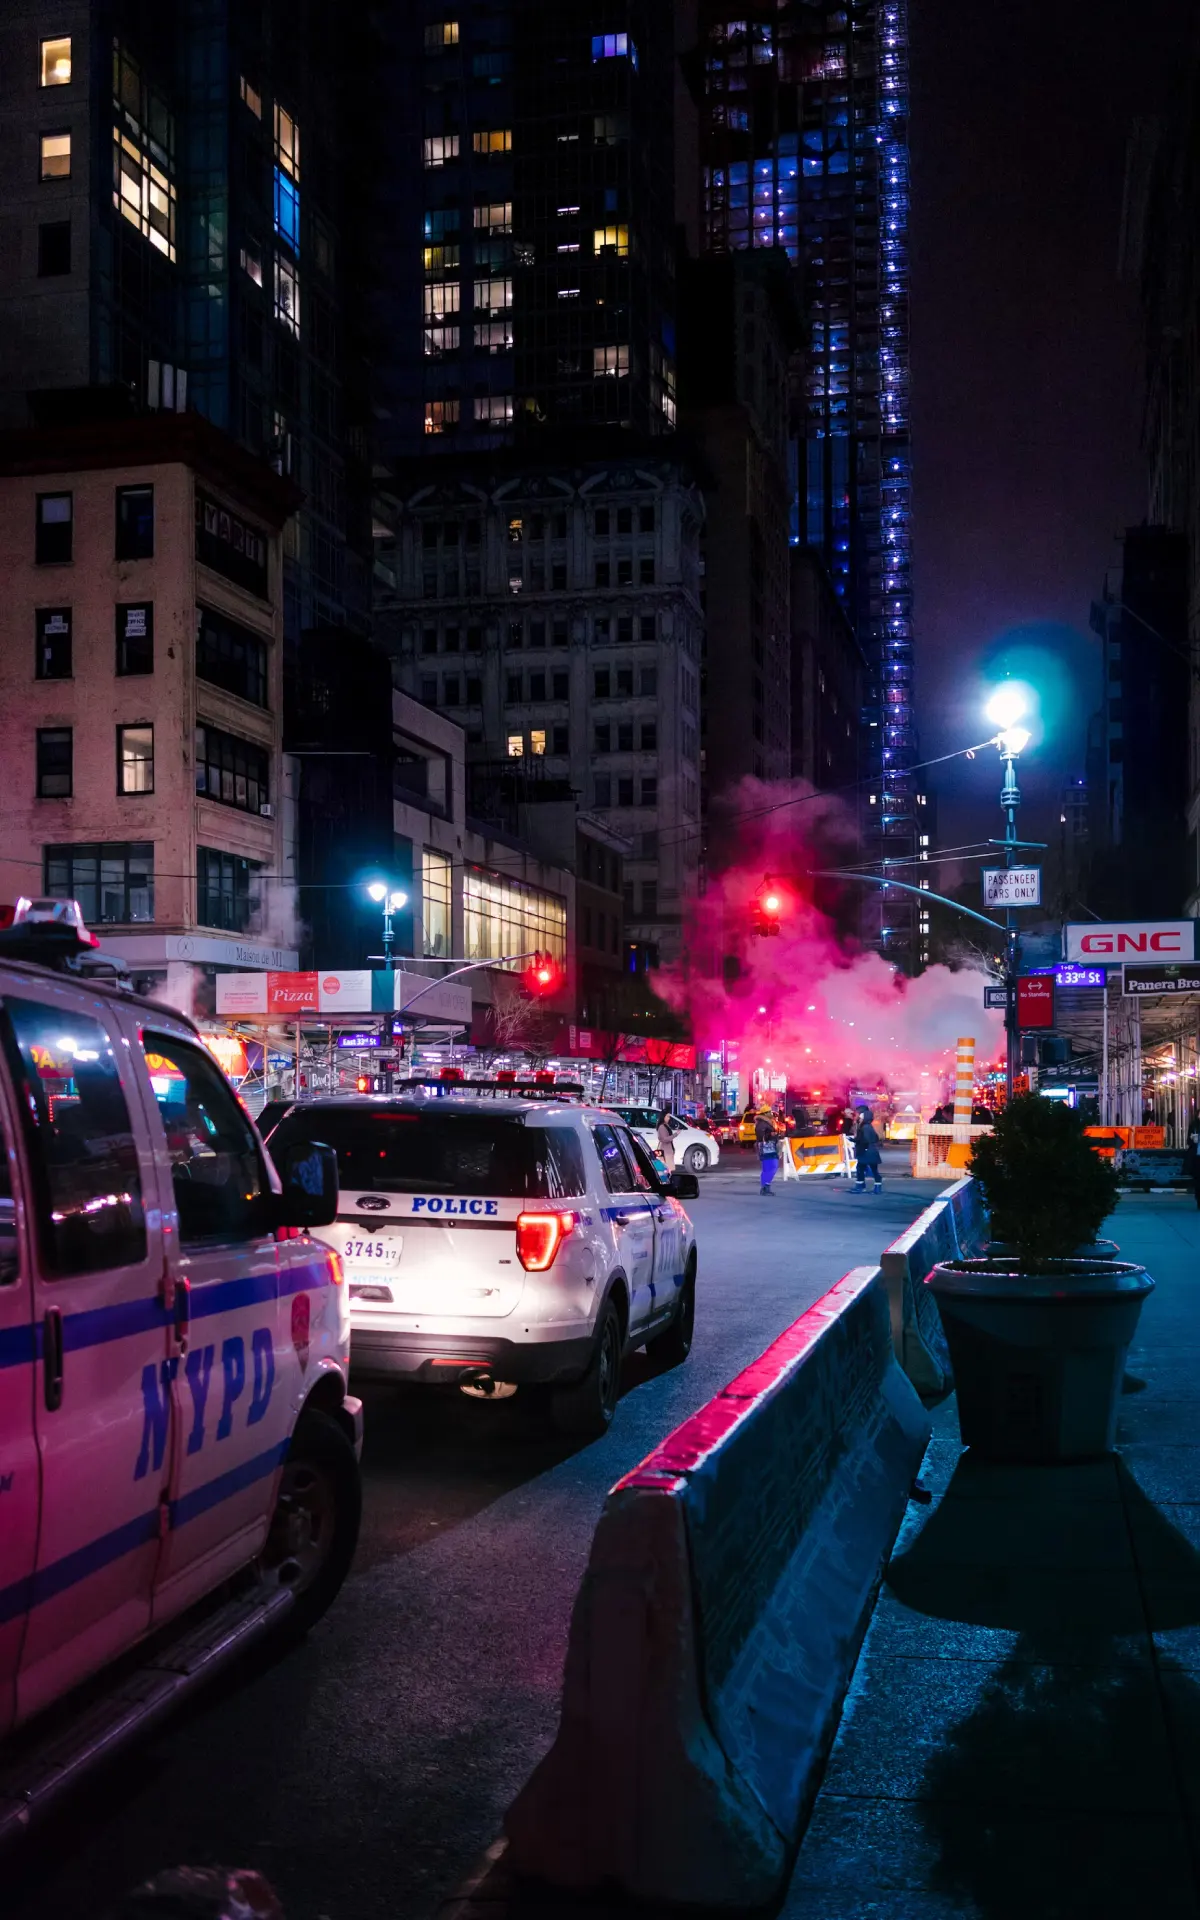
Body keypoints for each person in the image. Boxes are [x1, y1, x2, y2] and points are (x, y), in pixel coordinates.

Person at [852, 1103, 883, 1193]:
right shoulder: (868, 1127)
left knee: (861, 1169)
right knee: (872, 1170)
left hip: (866, 1152)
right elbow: (875, 1138)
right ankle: (877, 1188)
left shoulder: (864, 1127)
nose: (857, 1116)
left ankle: (860, 1187)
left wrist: (859, 1143)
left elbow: (865, 1140)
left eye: (859, 1115)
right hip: (871, 1151)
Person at [755, 1109, 780, 1194]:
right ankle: (766, 1185)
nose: (771, 1113)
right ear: (765, 1113)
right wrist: (771, 1135)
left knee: (766, 1169)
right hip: (768, 1148)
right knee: (773, 1166)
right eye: (769, 1112)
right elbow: (761, 1136)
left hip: (766, 1147)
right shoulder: (763, 1123)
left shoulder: (764, 1122)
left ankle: (764, 1188)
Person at [656, 1109, 676, 1174]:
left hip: (667, 1150)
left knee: (667, 1170)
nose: (669, 1118)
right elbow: (665, 1139)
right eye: (668, 1116)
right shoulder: (662, 1127)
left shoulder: (666, 1125)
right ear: (663, 1117)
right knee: (665, 1169)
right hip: (664, 1151)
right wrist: (675, 1135)